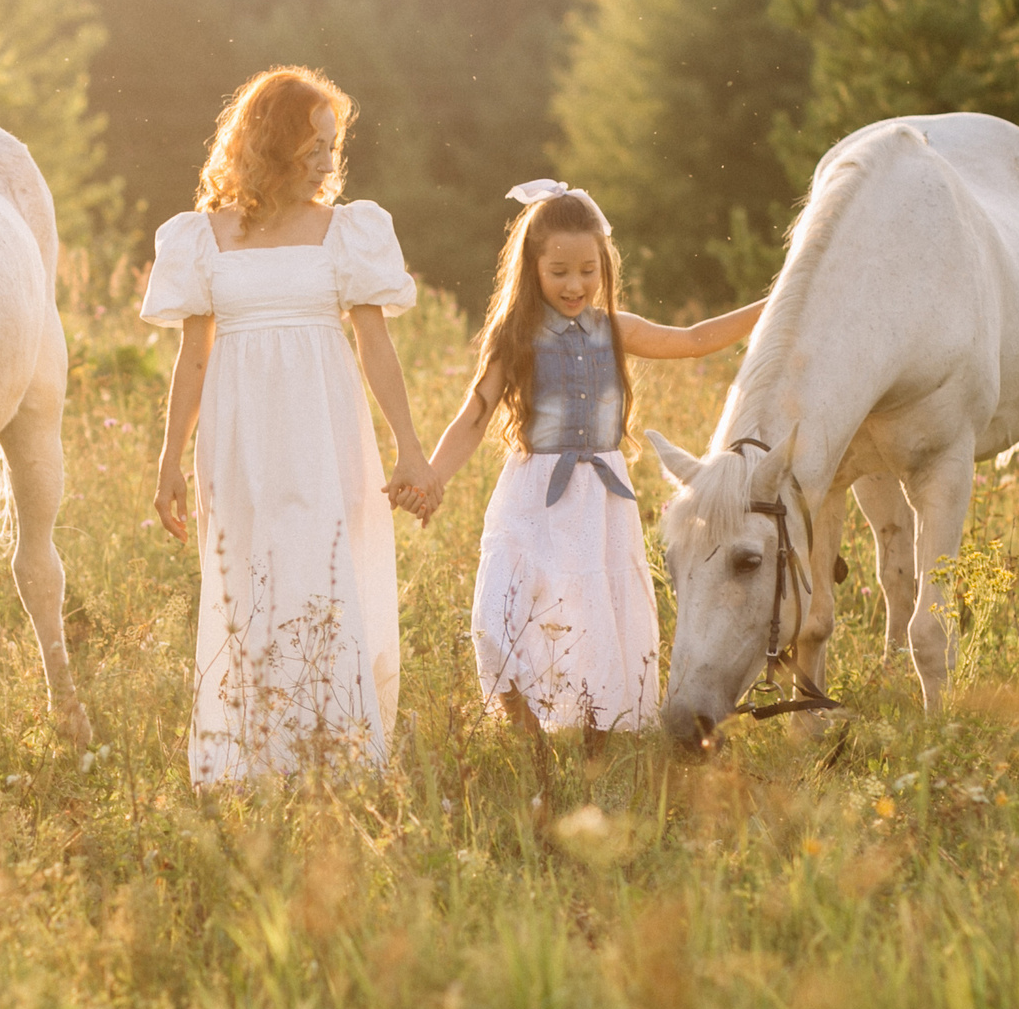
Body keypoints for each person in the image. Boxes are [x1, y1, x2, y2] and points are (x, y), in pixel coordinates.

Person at [402, 180, 762, 748]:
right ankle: (527, 734)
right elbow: (474, 416)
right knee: (499, 617)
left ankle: (598, 736)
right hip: (531, 492)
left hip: (600, 497)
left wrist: (778, 301)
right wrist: (434, 478)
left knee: (596, 617)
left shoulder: (615, 329)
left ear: (605, 267)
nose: (576, 285)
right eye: (560, 271)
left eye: (588, 270)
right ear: (532, 268)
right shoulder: (515, 336)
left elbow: (694, 339)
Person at [144, 67, 427, 785]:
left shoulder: (347, 231)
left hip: (323, 430)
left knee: (326, 571)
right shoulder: (202, 238)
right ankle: (251, 756)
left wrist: (410, 446)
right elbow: (192, 360)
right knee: (249, 575)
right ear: (272, 145)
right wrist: (169, 460)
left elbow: (375, 347)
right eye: (314, 146)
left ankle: (336, 754)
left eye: (334, 146)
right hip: (238, 440)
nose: (329, 160)